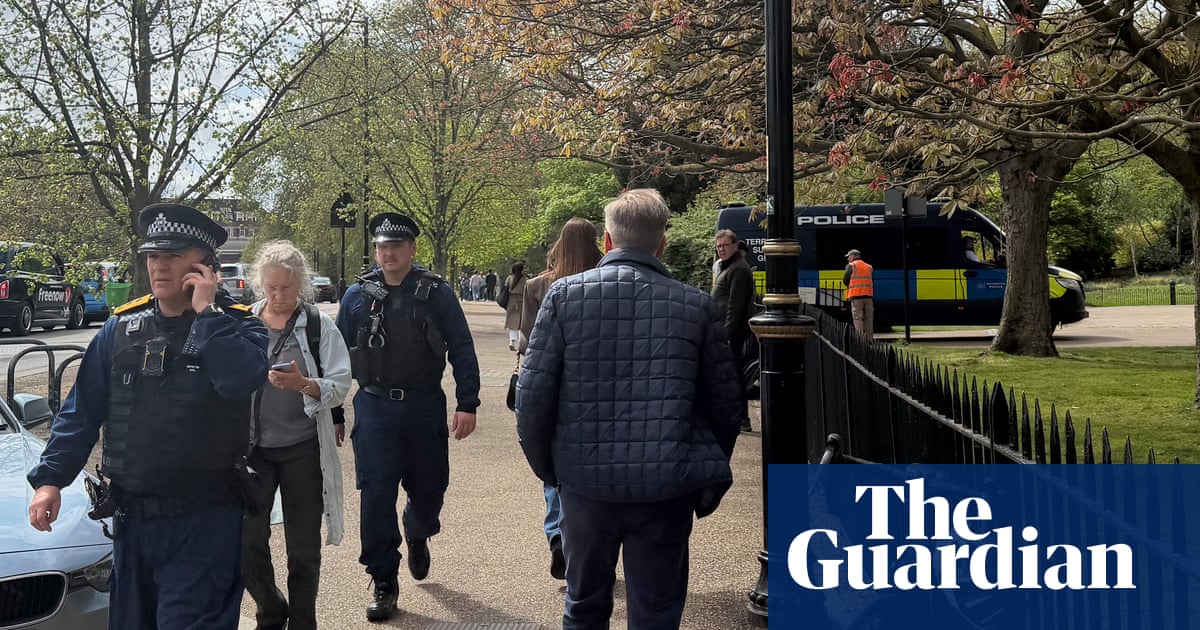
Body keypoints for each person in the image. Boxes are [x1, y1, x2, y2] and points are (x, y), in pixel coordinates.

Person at [27, 203, 269, 628]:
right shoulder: (119, 330)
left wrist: (208, 315)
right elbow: (82, 411)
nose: (158, 266)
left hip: (204, 522)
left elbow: (239, 380)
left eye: (172, 256)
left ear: (205, 266)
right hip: (133, 525)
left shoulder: (239, 326)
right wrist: (50, 480)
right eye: (153, 256)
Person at [516, 189, 743, 629]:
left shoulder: (563, 297)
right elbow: (725, 404)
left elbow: (533, 398)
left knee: (583, 606)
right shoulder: (695, 304)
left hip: (584, 483)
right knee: (656, 611)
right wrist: (703, 474)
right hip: (664, 486)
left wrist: (552, 470)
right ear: (661, 243)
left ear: (607, 240)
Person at [335, 212, 481, 622]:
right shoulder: (356, 296)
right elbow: (335, 357)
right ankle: (384, 580)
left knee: (431, 488)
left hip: (423, 405)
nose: (388, 254)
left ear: (412, 249)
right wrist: (333, 410)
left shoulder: (436, 293)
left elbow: (462, 348)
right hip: (375, 406)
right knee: (375, 495)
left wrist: (467, 402)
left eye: (396, 247)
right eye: (382, 247)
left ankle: (418, 532)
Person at [243, 240, 352, 630]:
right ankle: (271, 607)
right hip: (253, 451)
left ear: (300, 285)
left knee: (303, 549)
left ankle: (304, 622)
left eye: (286, 288)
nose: (277, 295)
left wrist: (305, 384)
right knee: (246, 542)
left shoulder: (320, 326)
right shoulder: (245, 323)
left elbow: (341, 383)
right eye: (270, 287)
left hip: (302, 450)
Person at [518, 217, 603, 581]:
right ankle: (583, 541)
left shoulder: (538, 286)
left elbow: (525, 340)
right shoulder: (603, 279)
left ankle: (556, 535)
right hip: (594, 388)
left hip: (552, 388)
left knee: (553, 471)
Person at [712, 229, 757, 433]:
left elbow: (734, 306)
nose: (721, 249)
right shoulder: (730, 266)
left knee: (734, 374)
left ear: (735, 245)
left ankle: (741, 417)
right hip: (728, 329)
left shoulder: (737, 269)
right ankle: (738, 416)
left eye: (725, 245)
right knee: (732, 373)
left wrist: (727, 335)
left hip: (733, 332)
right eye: (719, 246)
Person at [843, 248, 875, 340]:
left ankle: (860, 342)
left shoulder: (851, 266)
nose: (848, 258)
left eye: (849, 256)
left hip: (856, 296)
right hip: (868, 296)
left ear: (854, 256)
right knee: (868, 319)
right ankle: (869, 340)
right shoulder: (869, 267)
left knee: (858, 319)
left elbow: (845, 280)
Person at [504, 261, 527, 351]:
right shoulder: (524, 280)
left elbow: (505, 289)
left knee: (512, 323)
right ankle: (522, 342)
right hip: (522, 302)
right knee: (522, 323)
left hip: (511, 302)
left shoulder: (509, 278)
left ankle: (512, 341)